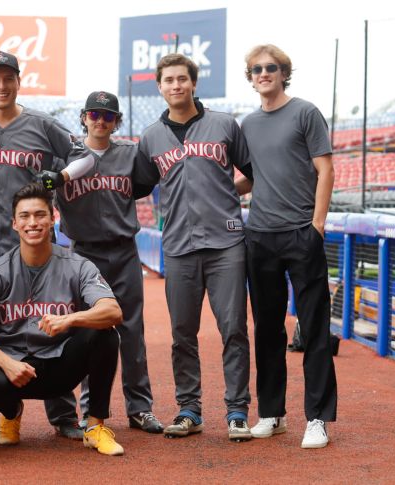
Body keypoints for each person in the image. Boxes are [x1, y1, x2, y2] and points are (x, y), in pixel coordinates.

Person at [0, 50, 93, 440]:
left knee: (51, 318)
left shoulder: (41, 124)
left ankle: (61, 411)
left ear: (18, 81)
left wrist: (59, 176)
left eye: (7, 78)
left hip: (36, 244)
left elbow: (85, 157)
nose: (1, 85)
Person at [134, 53, 254, 441]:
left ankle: (237, 411)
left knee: (233, 328)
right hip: (180, 246)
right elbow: (138, 185)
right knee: (182, 333)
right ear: (160, 86)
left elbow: (251, 174)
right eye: (168, 80)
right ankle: (189, 409)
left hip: (226, 243)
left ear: (193, 83)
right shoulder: (151, 136)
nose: (176, 86)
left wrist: (226, 194)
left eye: (182, 79)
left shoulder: (223, 125)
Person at [0, 182, 125, 456]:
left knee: (105, 334)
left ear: (53, 219)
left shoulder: (77, 266)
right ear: (14, 224)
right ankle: (11, 412)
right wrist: (7, 363)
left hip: (60, 364)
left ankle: (95, 426)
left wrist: (71, 319)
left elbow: (113, 311)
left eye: (40, 215)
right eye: (25, 216)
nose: (33, 223)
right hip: (14, 370)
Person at [39, 91, 163, 433]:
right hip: (82, 254)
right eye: (94, 114)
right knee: (88, 332)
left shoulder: (129, 154)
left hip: (124, 250)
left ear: (116, 121)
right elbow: (44, 196)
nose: (100, 121)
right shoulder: (65, 156)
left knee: (132, 332)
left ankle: (140, 408)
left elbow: (141, 186)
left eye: (108, 116)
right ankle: (90, 410)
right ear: (83, 118)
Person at [236, 44, 337, 449]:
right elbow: (251, 178)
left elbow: (325, 168)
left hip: (301, 232)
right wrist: (210, 190)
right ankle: (272, 414)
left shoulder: (306, 112)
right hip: (259, 236)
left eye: (271, 68)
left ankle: (317, 419)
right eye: (257, 69)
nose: (264, 73)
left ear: (283, 73)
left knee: (313, 327)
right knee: (267, 330)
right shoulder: (247, 124)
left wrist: (317, 224)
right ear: (251, 77)